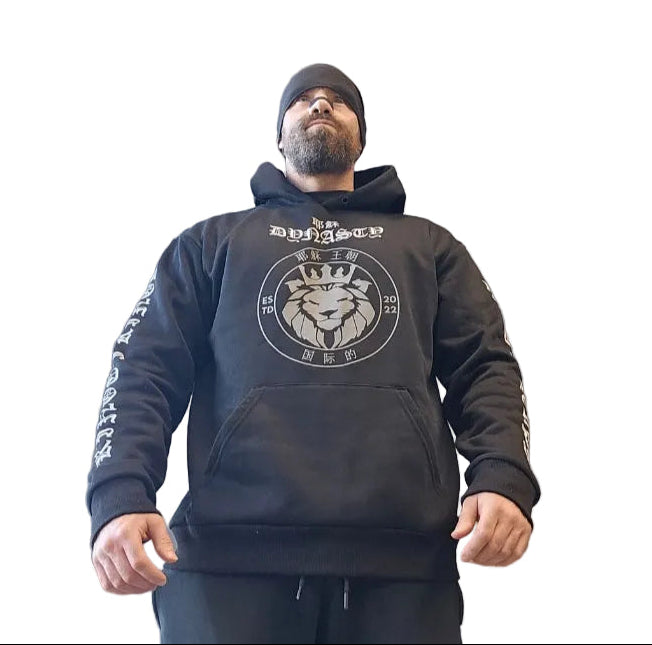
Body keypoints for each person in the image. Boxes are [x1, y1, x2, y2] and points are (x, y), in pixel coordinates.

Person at [85, 62, 541, 644]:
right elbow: (143, 369)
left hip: (402, 572)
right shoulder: (210, 243)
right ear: (279, 136)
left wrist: (502, 476)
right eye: (302, 99)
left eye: (337, 101)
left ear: (361, 136)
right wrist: (120, 493)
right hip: (226, 569)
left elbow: (486, 366)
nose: (320, 105)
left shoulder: (429, 246)